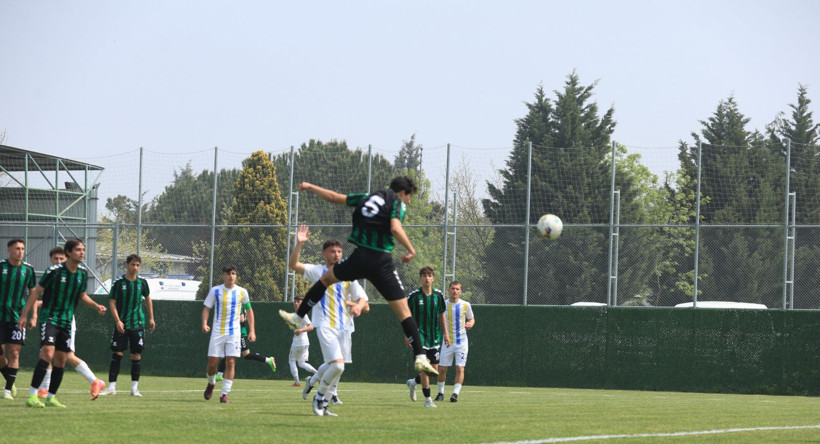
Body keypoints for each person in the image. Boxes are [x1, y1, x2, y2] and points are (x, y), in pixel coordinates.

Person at [278, 176, 438, 377]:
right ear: (403, 192)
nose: (409, 201)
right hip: (381, 262)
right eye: (410, 197)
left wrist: (311, 186)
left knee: (325, 280)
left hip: (359, 257)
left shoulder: (367, 197)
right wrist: (411, 250)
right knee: (404, 312)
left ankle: (297, 316)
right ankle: (421, 356)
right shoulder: (396, 202)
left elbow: (333, 197)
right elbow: (395, 228)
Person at [289, 225, 369, 415]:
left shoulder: (348, 274)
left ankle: (321, 399)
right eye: (332, 251)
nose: (336, 254)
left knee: (337, 368)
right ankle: (319, 398)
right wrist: (299, 244)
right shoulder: (317, 271)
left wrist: (358, 305)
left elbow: (363, 298)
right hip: (325, 325)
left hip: (344, 327)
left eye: (339, 251)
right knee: (337, 365)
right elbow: (294, 265)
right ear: (324, 254)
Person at [18, 238, 107, 408]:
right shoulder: (55, 271)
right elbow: (36, 293)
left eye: (83, 250)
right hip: (50, 319)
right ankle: (32, 396)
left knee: (60, 360)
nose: (82, 253)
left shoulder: (81, 274)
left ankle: (51, 397)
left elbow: (81, 295)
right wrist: (25, 315)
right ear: (68, 252)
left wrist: (96, 306)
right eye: (78, 250)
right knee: (47, 354)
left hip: (66, 322)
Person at [98, 254, 155, 397]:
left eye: (137, 265)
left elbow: (148, 299)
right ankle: (111, 388)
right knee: (117, 354)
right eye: (132, 265)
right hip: (122, 324)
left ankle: (134, 389)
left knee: (136, 355)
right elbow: (112, 302)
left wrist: (151, 318)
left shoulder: (142, 283)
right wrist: (117, 320)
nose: (135, 268)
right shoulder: (119, 283)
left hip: (137, 324)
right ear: (127, 265)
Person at [201, 265, 255, 404]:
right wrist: (204, 323)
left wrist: (252, 330)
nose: (231, 276)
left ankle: (224, 394)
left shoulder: (242, 292)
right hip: (218, 331)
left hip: (234, 333)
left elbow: (249, 311)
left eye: (233, 273)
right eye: (228, 274)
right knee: (212, 364)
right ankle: (211, 383)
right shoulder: (216, 291)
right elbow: (206, 309)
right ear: (223, 276)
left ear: (236, 276)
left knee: (230, 362)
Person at [404, 266, 449, 408]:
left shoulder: (438, 296)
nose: (427, 278)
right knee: (424, 368)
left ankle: (413, 382)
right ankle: (428, 400)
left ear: (433, 278)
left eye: (429, 275)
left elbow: (442, 314)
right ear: (420, 278)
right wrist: (406, 334)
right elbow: (405, 315)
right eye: (424, 275)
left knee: (433, 370)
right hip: (418, 337)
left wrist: (446, 334)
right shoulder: (414, 296)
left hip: (434, 337)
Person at [0, 239, 37, 400]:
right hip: (0, 318)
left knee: (14, 353)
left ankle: (7, 390)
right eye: (17, 248)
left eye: (22, 248)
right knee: (0, 355)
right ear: (9, 250)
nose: (20, 251)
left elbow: (33, 294)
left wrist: (33, 316)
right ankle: (10, 379)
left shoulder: (28, 270)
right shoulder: (1, 267)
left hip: (18, 319)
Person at [435, 280, 474, 403]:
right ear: (448, 290)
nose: (455, 291)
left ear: (461, 291)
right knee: (442, 369)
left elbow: (472, 319)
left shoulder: (465, 305)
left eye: (457, 289)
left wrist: (470, 324)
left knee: (460, 368)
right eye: (453, 288)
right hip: (447, 341)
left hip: (461, 342)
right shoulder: (443, 304)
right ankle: (440, 393)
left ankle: (455, 394)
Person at [214, 310, 276, 382]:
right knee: (246, 355)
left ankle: (219, 374)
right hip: (235, 333)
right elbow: (245, 318)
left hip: (240, 334)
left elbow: (242, 319)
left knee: (232, 353)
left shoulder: (239, 304)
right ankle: (269, 360)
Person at [287, 295, 317, 388]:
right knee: (301, 363)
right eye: (295, 301)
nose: (296, 303)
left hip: (298, 343)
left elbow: (311, 326)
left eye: (298, 302)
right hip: (304, 342)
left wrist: (300, 330)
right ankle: (318, 375)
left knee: (291, 360)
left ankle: (297, 382)